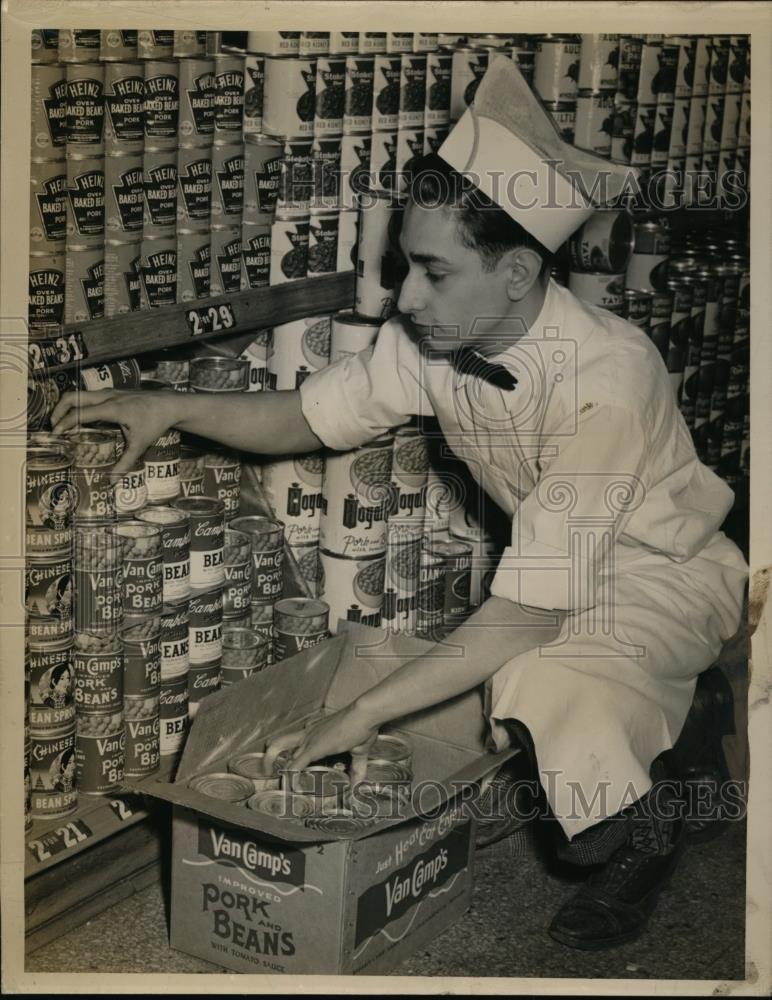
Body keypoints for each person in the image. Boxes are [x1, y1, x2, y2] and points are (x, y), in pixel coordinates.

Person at [51, 56, 748, 949]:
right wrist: (171, 403)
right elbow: (310, 417)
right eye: (403, 267)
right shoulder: (441, 333)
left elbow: (529, 612)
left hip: (660, 575)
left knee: (542, 692)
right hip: (552, 562)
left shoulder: (607, 381)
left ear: (518, 273)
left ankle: (663, 807)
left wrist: (361, 712)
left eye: (431, 271)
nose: (405, 297)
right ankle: (661, 723)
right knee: (510, 687)